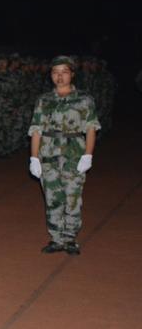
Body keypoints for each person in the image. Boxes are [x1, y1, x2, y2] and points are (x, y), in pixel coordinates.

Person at [28, 56, 99, 256]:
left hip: (74, 154)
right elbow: (36, 130)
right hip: (48, 155)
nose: (59, 76)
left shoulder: (84, 99)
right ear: (50, 75)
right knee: (52, 199)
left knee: (72, 198)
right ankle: (56, 238)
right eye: (55, 72)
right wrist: (34, 157)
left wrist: (88, 154)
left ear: (72, 74)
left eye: (64, 72)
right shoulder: (44, 100)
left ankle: (70, 239)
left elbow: (91, 128)